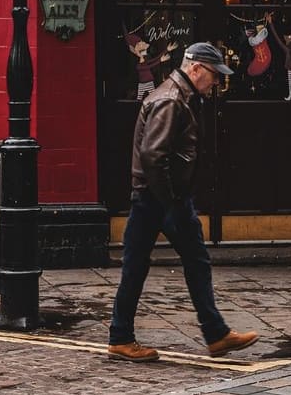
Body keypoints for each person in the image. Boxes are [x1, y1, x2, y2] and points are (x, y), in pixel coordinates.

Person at [107, 41, 259, 363]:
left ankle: (126, 336)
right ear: (195, 68)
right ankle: (211, 334)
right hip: (159, 198)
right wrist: (173, 201)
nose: (216, 82)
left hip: (156, 196)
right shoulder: (171, 100)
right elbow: (153, 156)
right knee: (182, 262)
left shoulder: (182, 96)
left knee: (148, 264)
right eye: (214, 75)